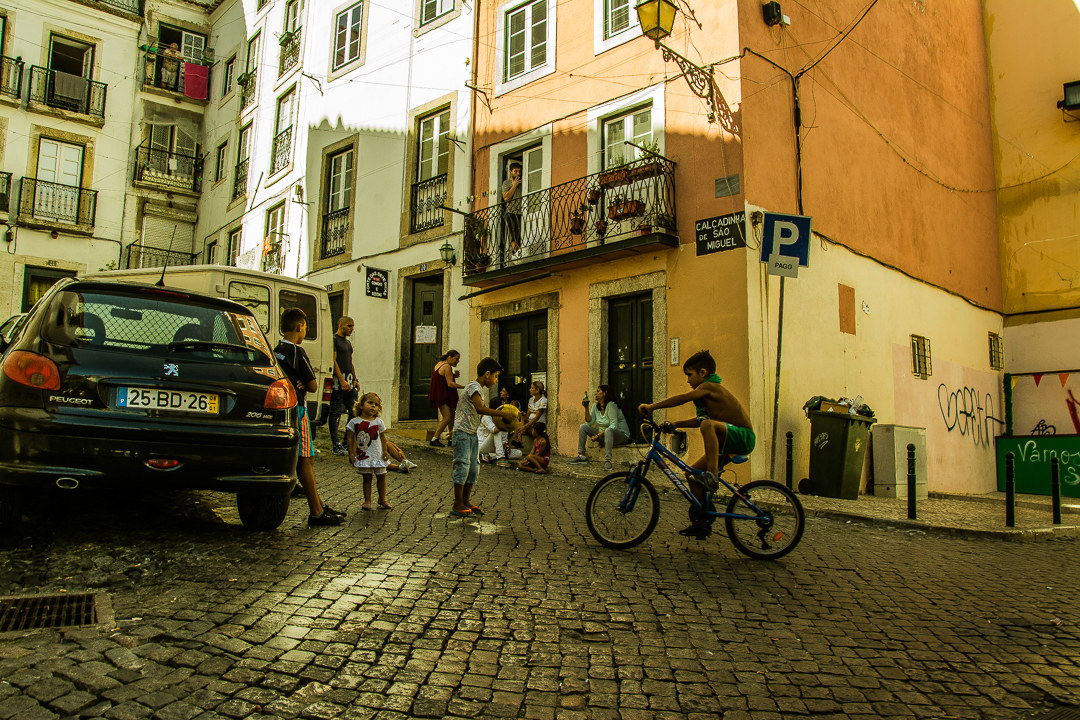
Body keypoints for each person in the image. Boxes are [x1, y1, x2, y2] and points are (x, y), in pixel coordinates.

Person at [638, 349, 755, 539]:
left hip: (743, 437)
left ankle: (712, 476)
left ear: (703, 373)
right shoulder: (706, 394)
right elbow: (700, 420)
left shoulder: (711, 387)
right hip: (727, 442)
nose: (688, 381)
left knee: (708, 426)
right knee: (691, 474)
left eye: (689, 375)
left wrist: (652, 406)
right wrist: (675, 424)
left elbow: (683, 399)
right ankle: (702, 521)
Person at [274, 307, 344, 527]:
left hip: (283, 408)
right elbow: (313, 385)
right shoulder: (297, 351)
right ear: (300, 327)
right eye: (305, 328)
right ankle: (316, 511)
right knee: (306, 459)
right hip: (299, 408)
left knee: (300, 459)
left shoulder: (276, 350)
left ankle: (319, 506)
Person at [450, 357, 514, 518]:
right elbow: (479, 408)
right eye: (496, 376)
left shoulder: (478, 388)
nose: (496, 379)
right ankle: (457, 504)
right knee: (462, 466)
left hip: (471, 433)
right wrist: (502, 413)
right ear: (487, 374)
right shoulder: (473, 386)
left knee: (473, 468)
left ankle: (466, 501)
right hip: (462, 433)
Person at [346, 392, 392, 511]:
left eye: (376, 404)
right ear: (361, 405)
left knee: (381, 476)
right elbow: (350, 438)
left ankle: (382, 498)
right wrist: (351, 452)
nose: (373, 406)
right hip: (364, 455)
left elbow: (382, 437)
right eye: (370, 403)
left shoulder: (378, 422)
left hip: (377, 454)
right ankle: (367, 500)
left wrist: (385, 451)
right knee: (367, 478)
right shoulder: (354, 422)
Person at [568, 384, 631, 471]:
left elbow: (614, 426)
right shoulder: (595, 406)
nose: (595, 393)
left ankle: (608, 461)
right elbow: (589, 422)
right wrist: (586, 408)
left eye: (598, 391)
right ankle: (581, 456)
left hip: (620, 436)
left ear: (605, 393)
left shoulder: (611, 405)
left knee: (609, 430)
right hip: (604, 437)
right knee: (583, 427)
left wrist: (598, 435)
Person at [327, 316, 360, 456]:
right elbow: (333, 361)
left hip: (350, 382)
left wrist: (355, 379)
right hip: (338, 384)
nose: (352, 329)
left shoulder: (348, 343)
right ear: (341, 325)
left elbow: (350, 361)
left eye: (352, 326)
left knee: (354, 411)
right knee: (334, 413)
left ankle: (347, 442)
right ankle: (336, 444)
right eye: (349, 326)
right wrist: (341, 380)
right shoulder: (334, 340)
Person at [428, 350, 464, 447]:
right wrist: (464, 387)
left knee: (452, 415)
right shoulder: (447, 366)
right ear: (450, 357)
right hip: (442, 396)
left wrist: (453, 375)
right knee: (447, 417)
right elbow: (450, 383)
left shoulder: (439, 364)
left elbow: (442, 376)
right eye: (456, 359)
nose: (458, 361)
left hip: (441, 394)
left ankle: (451, 439)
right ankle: (434, 438)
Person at [478, 402, 523, 466]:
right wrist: (504, 426)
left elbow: (504, 441)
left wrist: (507, 448)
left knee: (519, 453)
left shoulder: (501, 419)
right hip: (483, 446)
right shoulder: (486, 417)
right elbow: (494, 430)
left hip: (495, 447)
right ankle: (500, 458)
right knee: (497, 431)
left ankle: (490, 456)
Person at [500, 162, 523, 262]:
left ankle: (517, 254)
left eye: (519, 171)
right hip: (511, 212)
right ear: (510, 172)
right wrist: (514, 186)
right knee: (514, 235)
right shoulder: (506, 183)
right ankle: (514, 256)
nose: (518, 174)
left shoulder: (522, 182)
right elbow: (506, 197)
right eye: (515, 171)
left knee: (519, 236)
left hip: (521, 213)